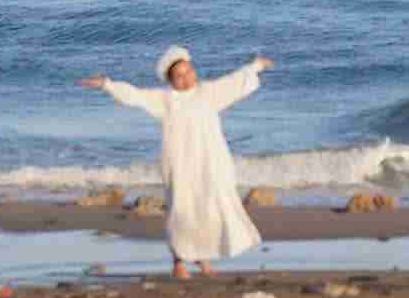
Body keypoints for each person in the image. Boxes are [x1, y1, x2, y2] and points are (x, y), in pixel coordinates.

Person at [80, 46, 271, 278]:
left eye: (189, 71)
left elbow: (234, 82)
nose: (187, 78)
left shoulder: (208, 92)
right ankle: (178, 261)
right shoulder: (165, 99)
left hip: (211, 160)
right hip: (179, 162)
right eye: (180, 76)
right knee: (182, 210)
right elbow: (136, 96)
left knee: (208, 207)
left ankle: (203, 259)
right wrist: (107, 84)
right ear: (170, 80)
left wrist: (256, 66)